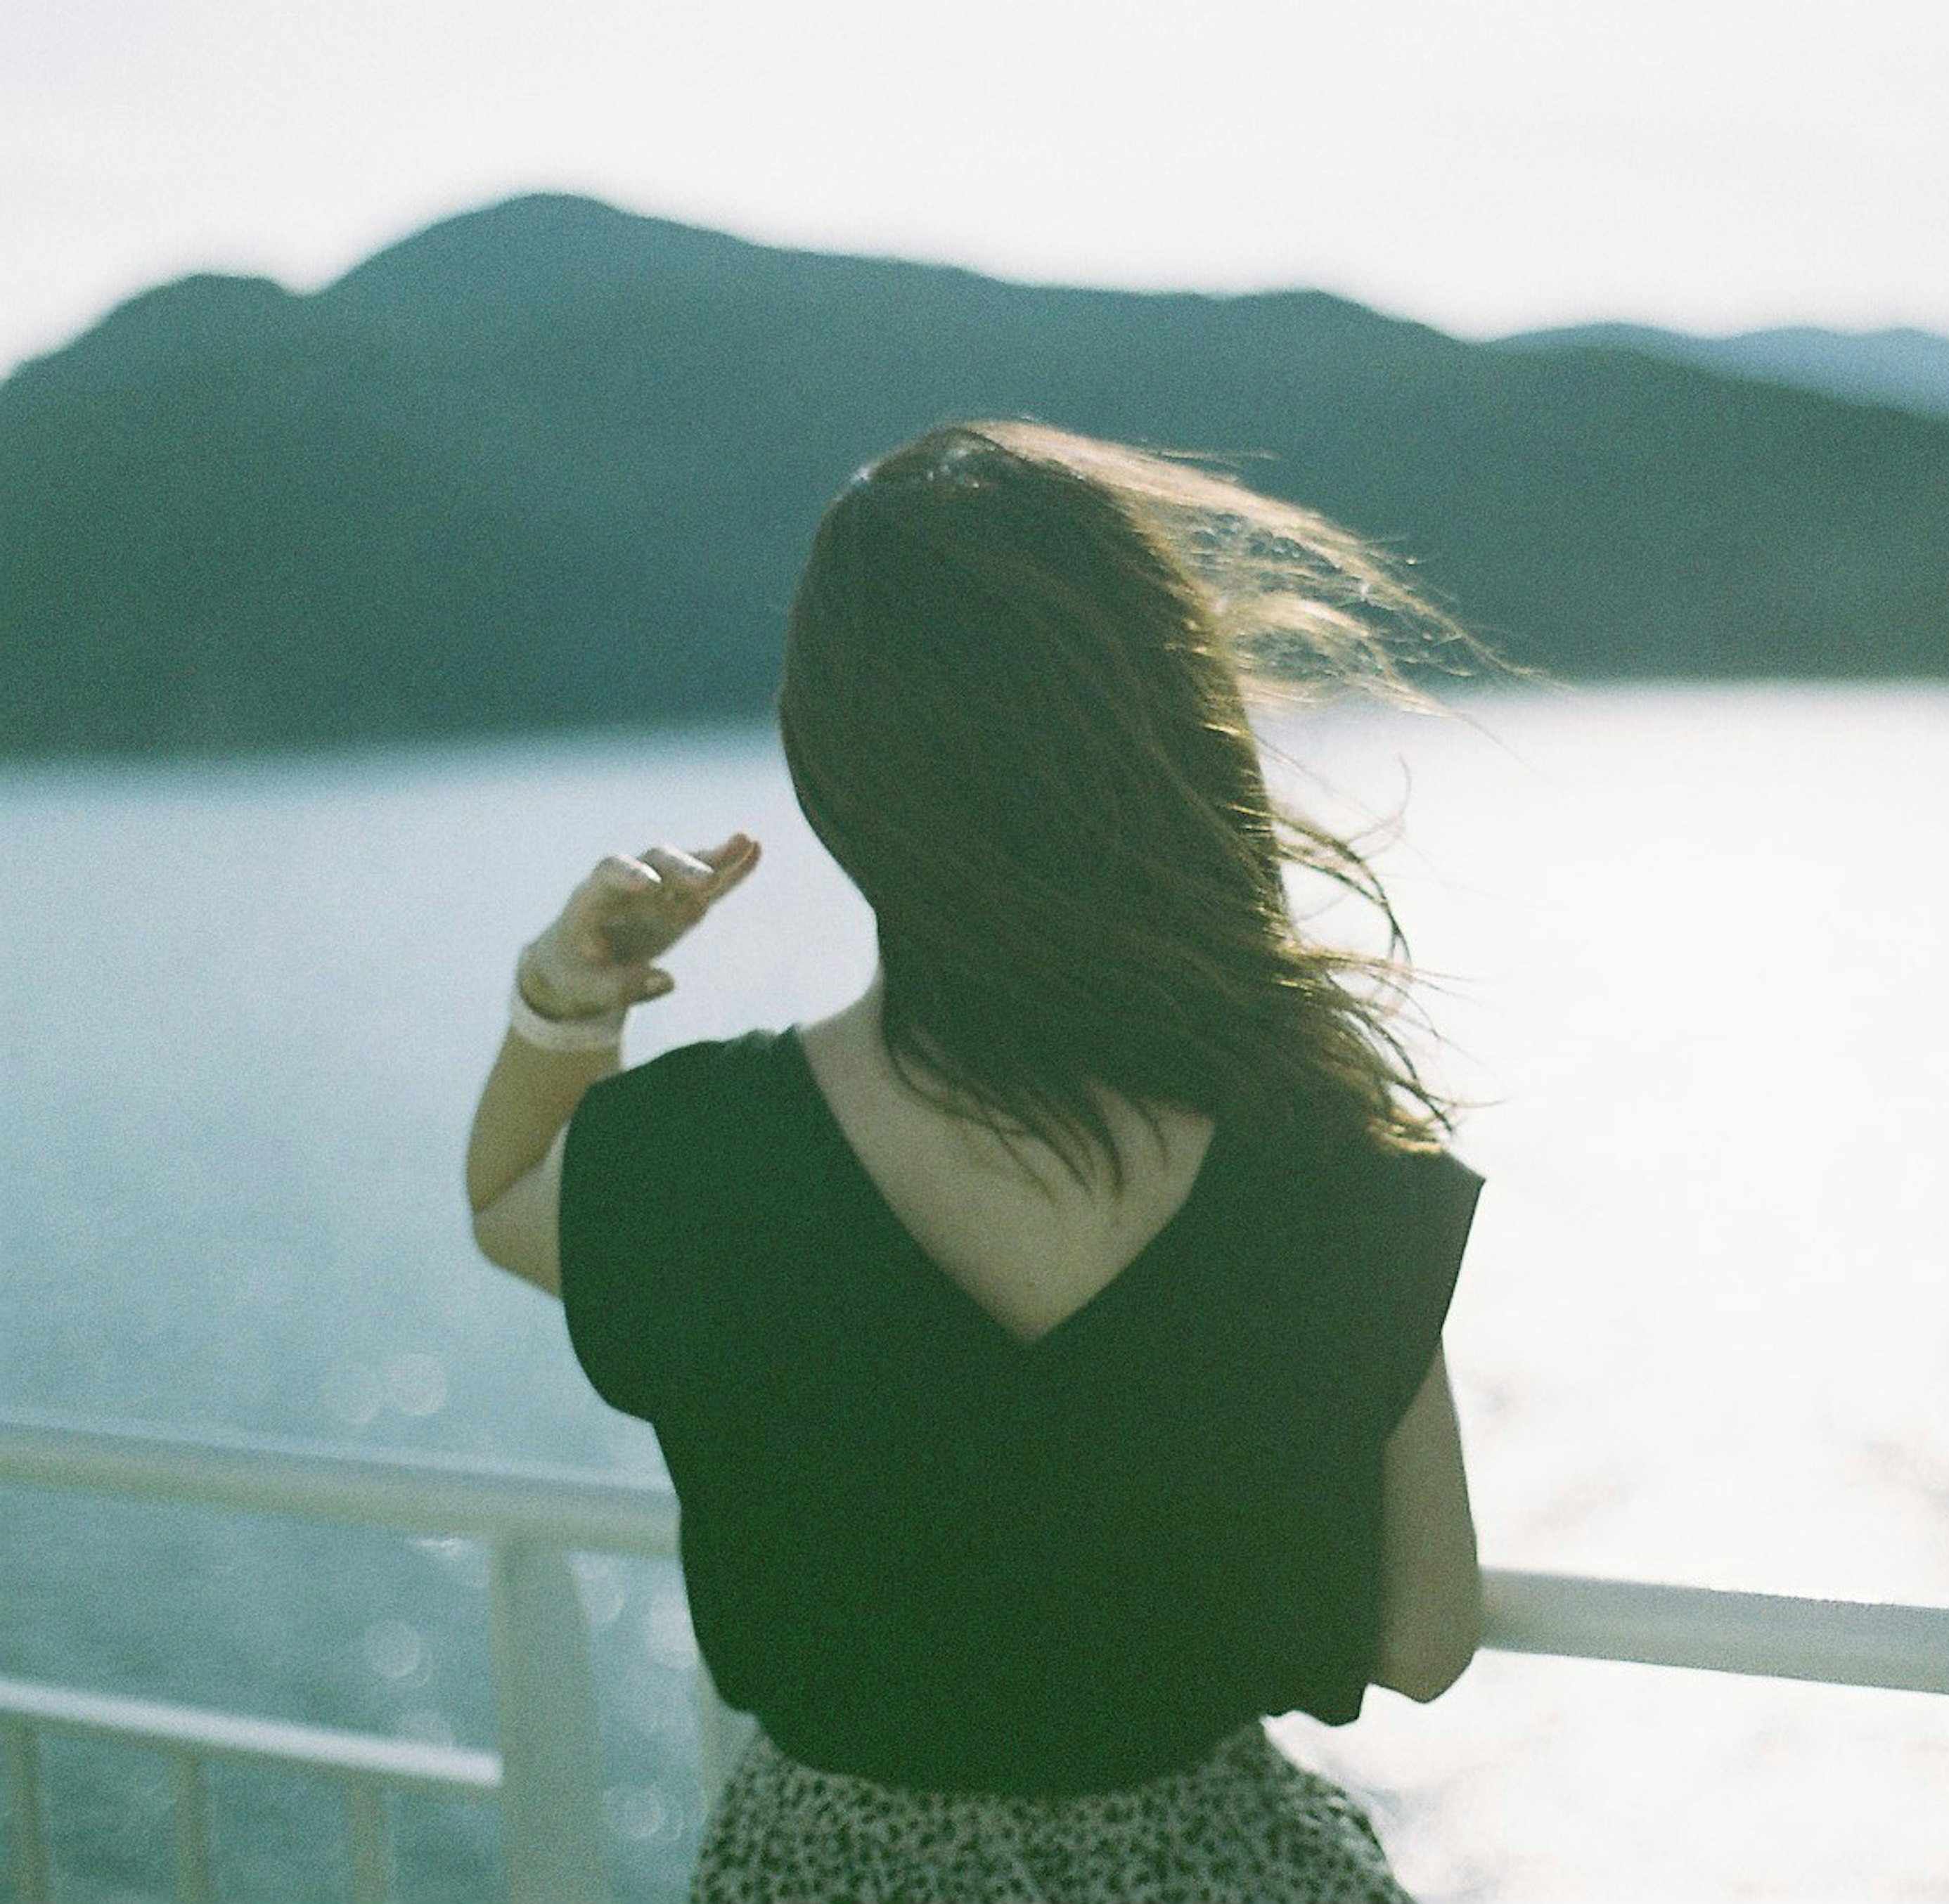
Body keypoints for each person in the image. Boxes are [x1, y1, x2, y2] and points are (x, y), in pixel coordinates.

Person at [463, 420, 1488, 1903]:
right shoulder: (1321, 1160)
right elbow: (1424, 1635)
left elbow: (506, 1197)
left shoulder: (699, 1155)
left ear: (838, 773)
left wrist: (572, 987)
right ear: (1165, 733)